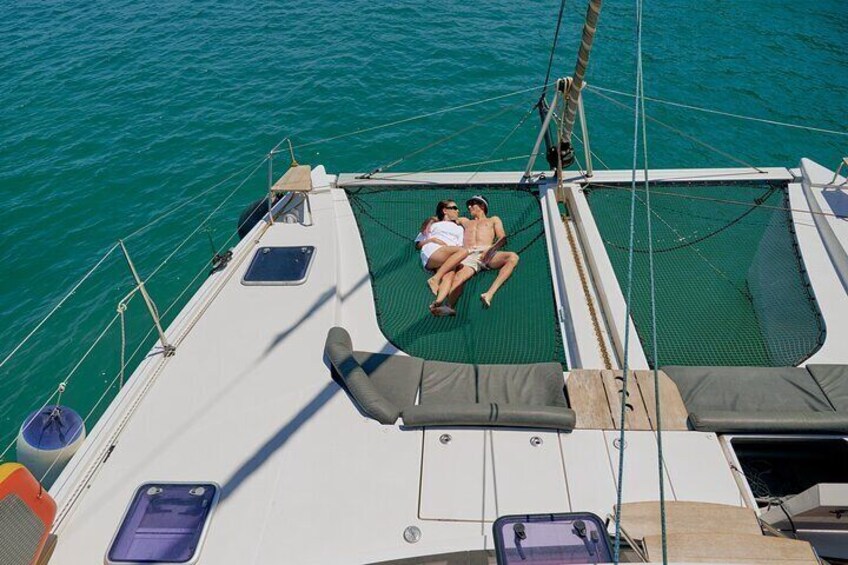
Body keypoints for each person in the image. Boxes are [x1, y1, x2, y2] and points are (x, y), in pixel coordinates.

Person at [450, 194, 519, 308]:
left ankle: (489, 294)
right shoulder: (465, 221)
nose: (469, 207)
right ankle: (449, 306)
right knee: (458, 277)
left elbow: (502, 238)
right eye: (469, 205)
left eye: (472, 204)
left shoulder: (493, 219)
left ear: (482, 205)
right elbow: (447, 219)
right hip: (469, 254)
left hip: (488, 253)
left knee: (513, 257)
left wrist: (491, 249)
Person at [414, 200, 468, 316]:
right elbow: (418, 244)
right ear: (445, 210)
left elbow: (459, 245)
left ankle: (437, 303)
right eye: (454, 208)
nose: (457, 210)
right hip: (433, 251)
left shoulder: (459, 229)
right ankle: (435, 279)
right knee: (464, 251)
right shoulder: (433, 225)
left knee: (449, 276)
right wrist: (432, 240)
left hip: (449, 256)